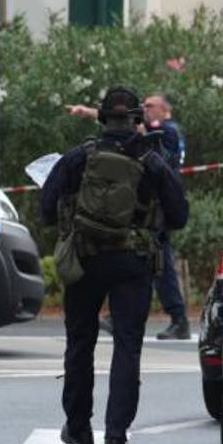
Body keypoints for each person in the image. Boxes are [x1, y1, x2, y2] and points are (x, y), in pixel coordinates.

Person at [42, 87, 189, 444]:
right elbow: (179, 215)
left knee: (80, 343)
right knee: (127, 345)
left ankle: (78, 429)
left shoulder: (79, 156)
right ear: (138, 119)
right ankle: (116, 436)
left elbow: (46, 208)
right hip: (132, 263)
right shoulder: (152, 160)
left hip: (85, 259)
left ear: (102, 118)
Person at [67, 94, 189, 340]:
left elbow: (129, 124)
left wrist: (91, 113)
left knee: (159, 265)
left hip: (158, 206)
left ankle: (178, 318)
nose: (145, 109)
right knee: (137, 262)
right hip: (154, 204)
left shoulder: (167, 130)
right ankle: (121, 314)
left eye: (150, 105)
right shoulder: (159, 130)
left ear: (164, 109)